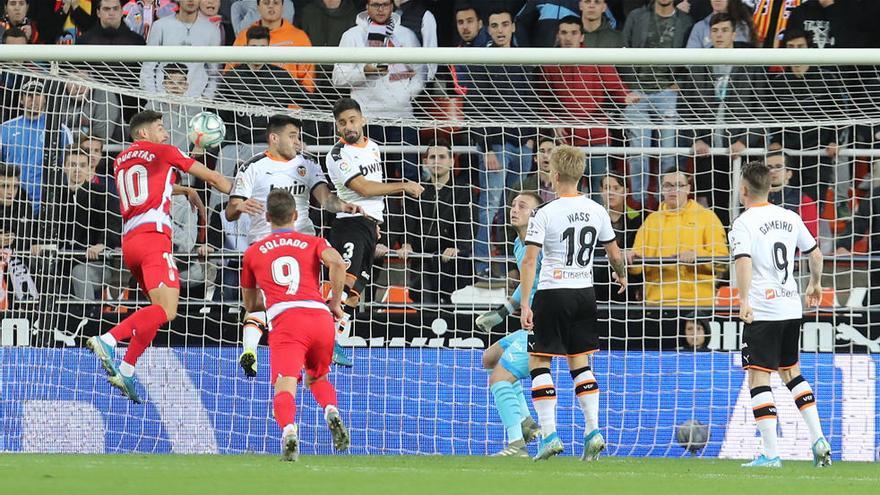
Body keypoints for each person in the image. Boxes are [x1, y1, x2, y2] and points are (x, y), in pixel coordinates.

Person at [85, 110, 231, 403]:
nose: (165, 133)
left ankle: (126, 369)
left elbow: (153, 184)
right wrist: (244, 195)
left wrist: (184, 189)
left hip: (131, 244)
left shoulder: (120, 160)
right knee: (168, 310)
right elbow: (214, 177)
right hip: (154, 240)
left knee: (154, 311)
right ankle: (109, 340)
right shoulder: (165, 152)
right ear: (143, 134)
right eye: (160, 128)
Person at [227, 114, 363, 374]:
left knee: (319, 281)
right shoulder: (252, 166)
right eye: (292, 136)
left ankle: (316, 343)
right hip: (267, 241)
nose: (298, 142)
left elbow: (325, 200)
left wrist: (342, 205)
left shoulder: (308, 164)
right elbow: (231, 210)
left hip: (303, 241)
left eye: (298, 137)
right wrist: (240, 205)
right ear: (274, 138)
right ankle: (303, 349)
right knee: (280, 303)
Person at [518, 145, 628, 461]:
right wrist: (622, 277)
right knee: (580, 363)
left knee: (540, 361)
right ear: (580, 175)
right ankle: (593, 430)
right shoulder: (597, 210)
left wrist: (526, 302)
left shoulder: (545, 212)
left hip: (553, 292)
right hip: (584, 292)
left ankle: (550, 434)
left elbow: (529, 260)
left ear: (554, 175)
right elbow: (614, 253)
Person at [729, 161, 831, 468]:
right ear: (770, 187)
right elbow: (815, 253)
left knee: (759, 378)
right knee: (791, 372)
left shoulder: (743, 222)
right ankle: (818, 438)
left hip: (763, 308)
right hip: (790, 306)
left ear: (743, 189)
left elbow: (743, 262)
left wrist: (744, 299)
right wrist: (814, 283)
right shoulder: (790, 216)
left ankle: (771, 453)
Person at [240, 188, 350, 462]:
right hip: (320, 317)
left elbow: (251, 305)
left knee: (285, 387)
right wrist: (335, 303)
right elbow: (338, 263)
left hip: (287, 321)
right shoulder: (314, 241)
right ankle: (331, 411)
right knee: (318, 378)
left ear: (267, 217)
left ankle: (289, 431)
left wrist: (270, 300)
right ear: (296, 215)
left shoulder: (253, 253)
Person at [325, 98, 424, 357]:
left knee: (355, 294)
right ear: (337, 127)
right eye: (342, 123)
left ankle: (335, 340)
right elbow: (364, 188)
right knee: (344, 285)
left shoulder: (374, 147)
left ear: (363, 120)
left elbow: (373, 193)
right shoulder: (337, 154)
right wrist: (404, 185)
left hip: (369, 226)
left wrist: (377, 223)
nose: (348, 126)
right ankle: (325, 340)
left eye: (352, 120)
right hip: (350, 226)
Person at [476, 191, 544, 456]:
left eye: (522, 206)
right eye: (513, 204)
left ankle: (516, 443)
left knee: (498, 378)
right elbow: (529, 284)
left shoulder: (541, 246)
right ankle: (526, 422)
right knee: (490, 358)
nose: (514, 209)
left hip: (545, 322)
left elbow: (543, 284)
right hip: (531, 320)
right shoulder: (518, 245)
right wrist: (501, 313)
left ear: (535, 215)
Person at [621, 0, 693, 206]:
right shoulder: (636, 16)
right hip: (637, 90)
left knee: (668, 153)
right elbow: (622, 50)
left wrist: (680, 83)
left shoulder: (686, 22)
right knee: (638, 154)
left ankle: (666, 204)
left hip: (668, 92)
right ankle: (638, 206)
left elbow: (692, 57)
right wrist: (628, 86)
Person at [391, 139, 474, 305]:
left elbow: (469, 223)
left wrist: (459, 247)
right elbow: (407, 220)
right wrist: (406, 243)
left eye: (442, 157)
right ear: (425, 162)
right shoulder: (416, 190)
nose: (437, 161)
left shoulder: (464, 191)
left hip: (451, 263)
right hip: (422, 262)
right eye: (433, 157)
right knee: (425, 304)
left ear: (451, 161)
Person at [0, 79, 73, 216]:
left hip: (47, 205)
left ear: (45, 98)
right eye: (29, 95)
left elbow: (68, 168)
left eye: (38, 95)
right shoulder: (5, 129)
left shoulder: (60, 131)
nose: (34, 99)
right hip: (13, 205)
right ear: (21, 100)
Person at [229, 0, 315, 97]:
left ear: (283, 7)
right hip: (249, 106)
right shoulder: (244, 36)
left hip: (287, 109)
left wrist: (291, 108)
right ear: (258, 7)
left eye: (276, 3)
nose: (271, 6)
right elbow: (230, 75)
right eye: (266, 3)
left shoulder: (299, 38)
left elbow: (307, 82)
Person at [139, 0, 222, 98]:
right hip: (161, 103)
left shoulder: (212, 31)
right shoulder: (160, 26)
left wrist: (204, 101)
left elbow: (214, 74)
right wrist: (154, 100)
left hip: (195, 105)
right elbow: (147, 68)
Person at [594, 173, 643, 302]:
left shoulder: (639, 219)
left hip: (628, 284)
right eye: (606, 188)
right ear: (601, 192)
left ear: (626, 191)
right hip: (597, 284)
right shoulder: (592, 218)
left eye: (616, 188)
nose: (610, 192)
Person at [686, 0, 755, 48]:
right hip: (708, 68)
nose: (717, 0)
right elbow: (689, 62)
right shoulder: (699, 27)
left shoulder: (741, 26)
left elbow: (744, 57)